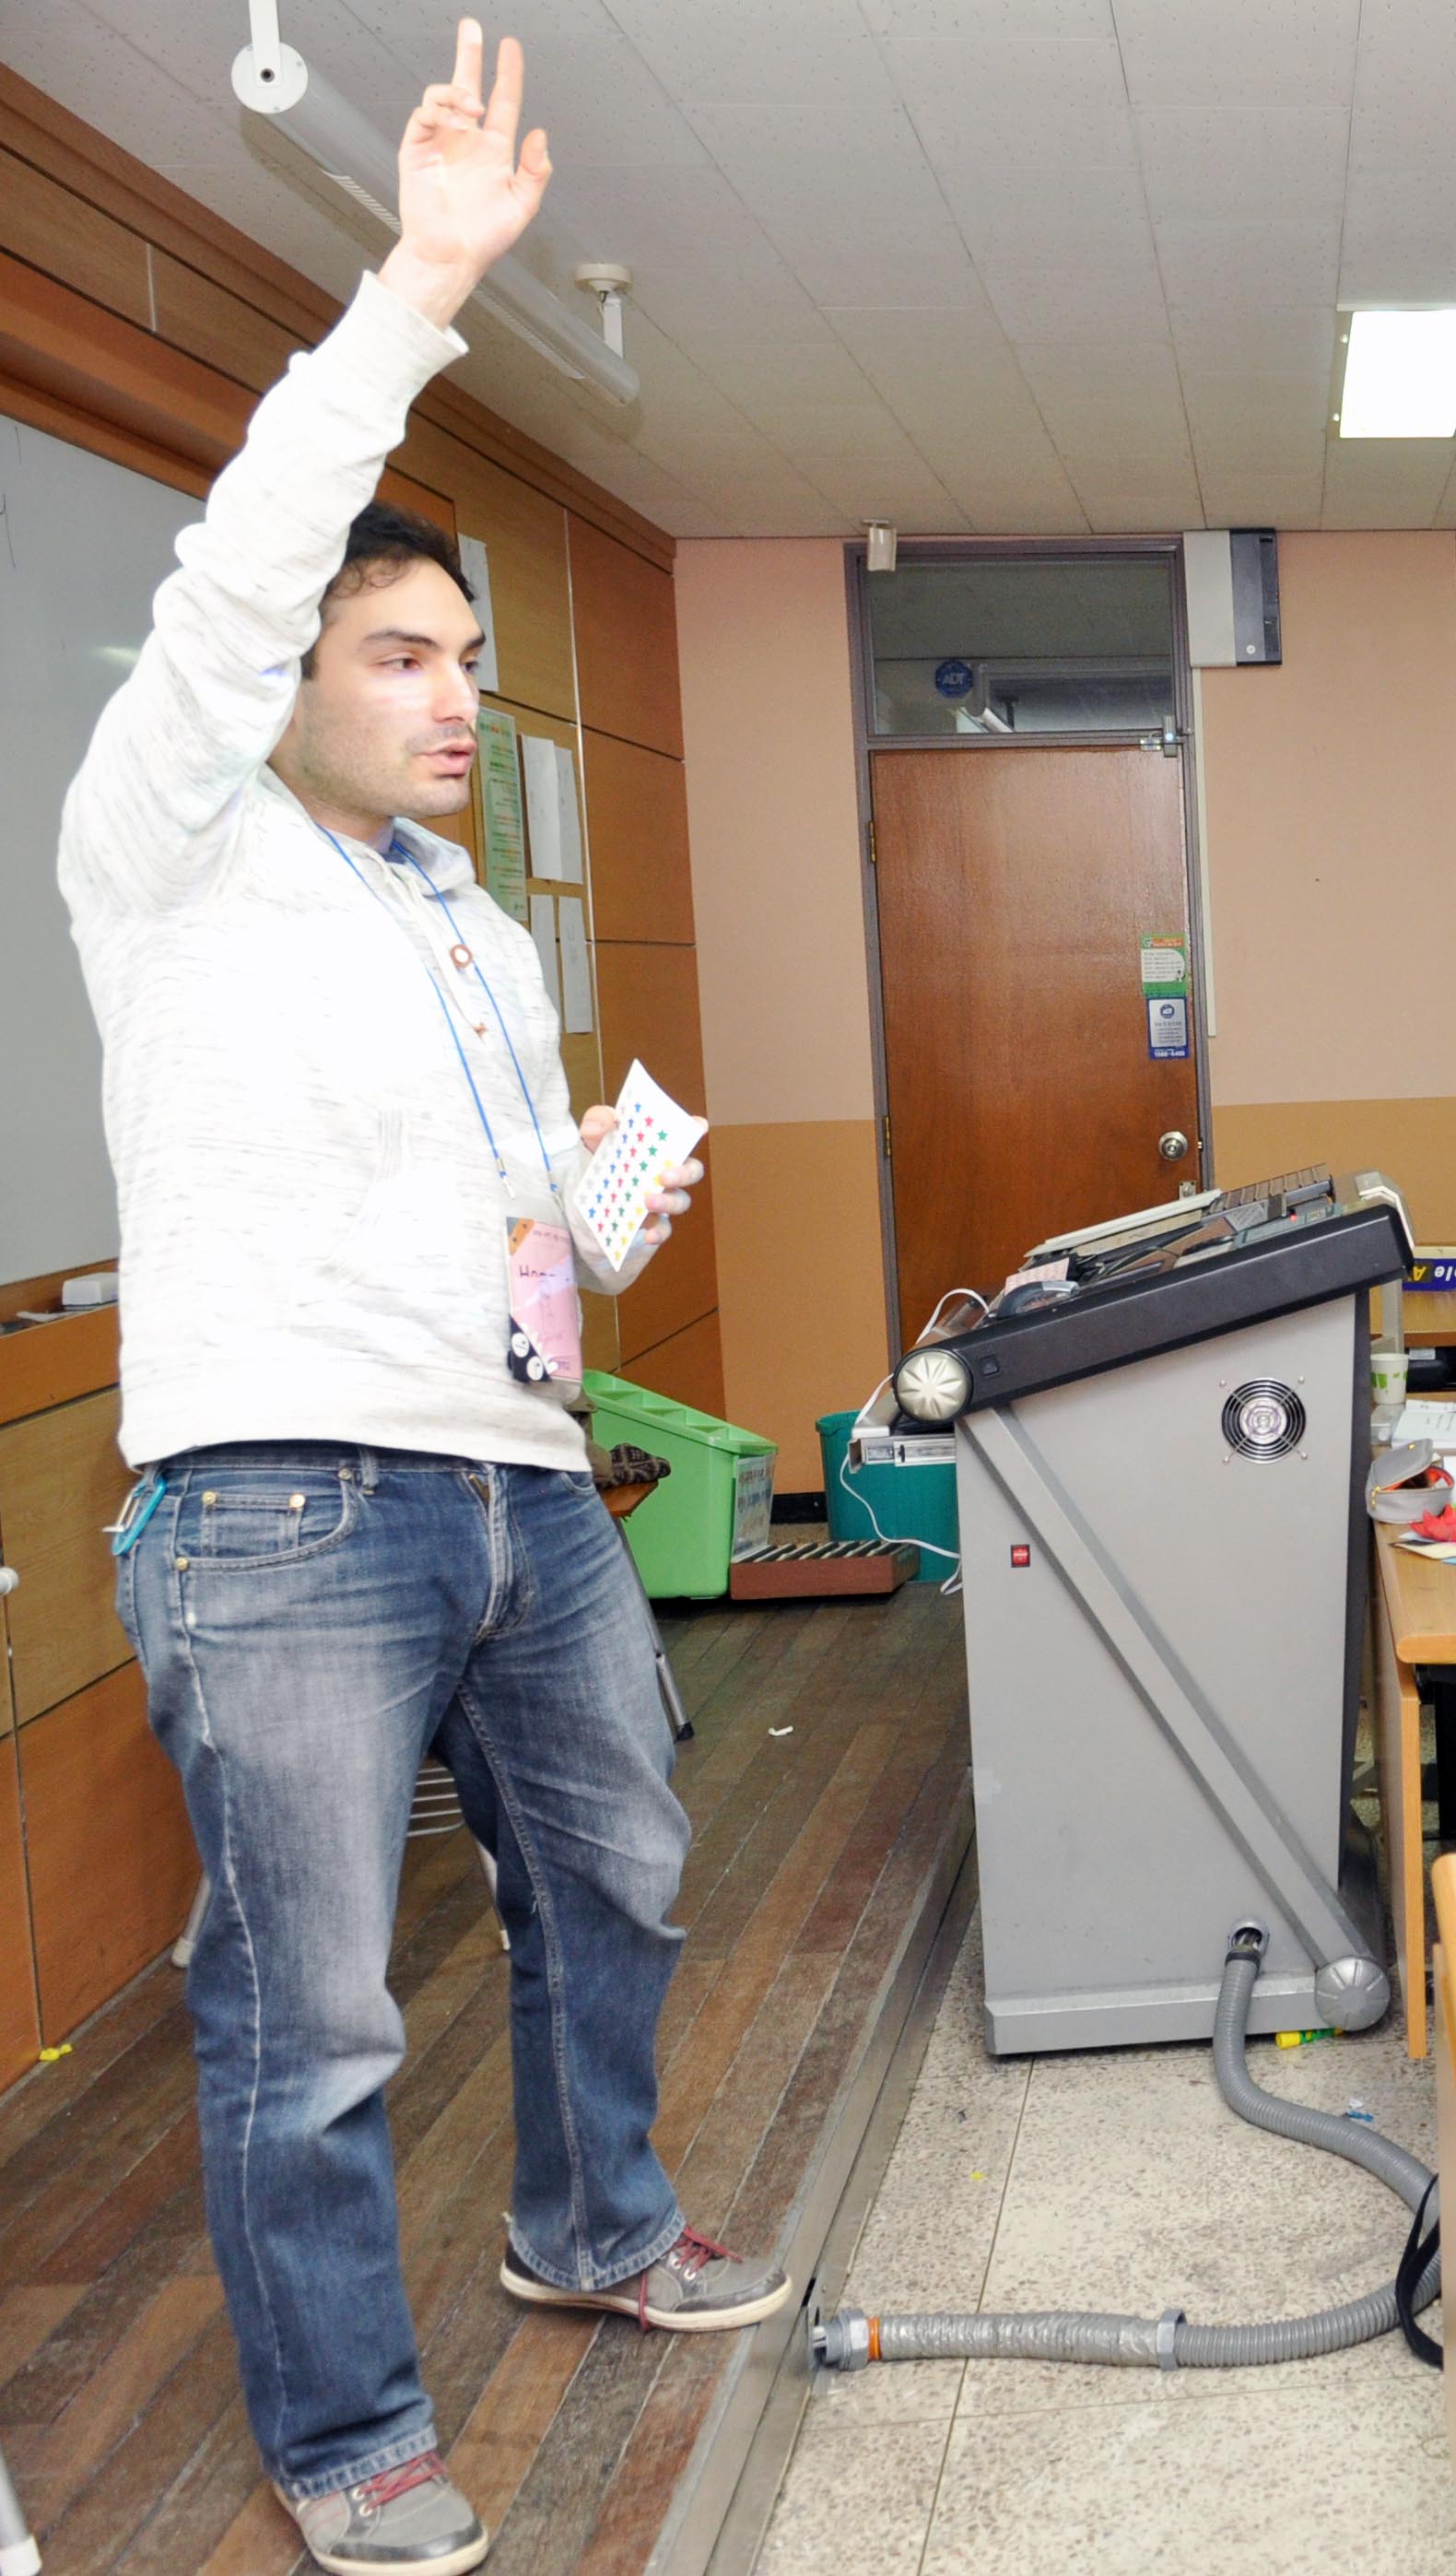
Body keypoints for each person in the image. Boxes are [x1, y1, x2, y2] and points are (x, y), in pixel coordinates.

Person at [53, 31, 776, 2572]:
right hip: (277, 1506)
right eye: (401, 654)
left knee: (630, 1866)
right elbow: (234, 563)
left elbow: (494, 1226)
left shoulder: (468, 922)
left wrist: (594, 1229)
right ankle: (347, 2429)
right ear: (282, 686)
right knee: (314, 2009)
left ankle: (586, 2223)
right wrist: (421, 282)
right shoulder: (168, 842)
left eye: (467, 656)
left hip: (513, 1480)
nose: (458, 693)